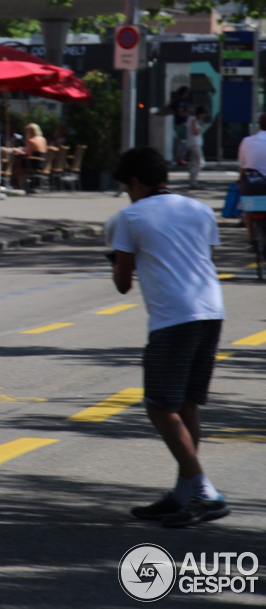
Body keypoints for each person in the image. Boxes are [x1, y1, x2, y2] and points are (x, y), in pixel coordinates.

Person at [110, 146, 228, 528]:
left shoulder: (129, 217)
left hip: (173, 319)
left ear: (136, 182)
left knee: (160, 406)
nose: (128, 194)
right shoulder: (199, 210)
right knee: (188, 404)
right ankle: (183, 493)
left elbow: (123, 284)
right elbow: (204, 256)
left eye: (128, 187)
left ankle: (203, 490)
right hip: (211, 310)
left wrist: (115, 257)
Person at [237, 111, 266, 245]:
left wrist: (239, 180)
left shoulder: (246, 141)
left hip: (251, 184)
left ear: (259, 125)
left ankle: (251, 237)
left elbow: (242, 166)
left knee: (248, 207)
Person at [14, 122, 47, 191]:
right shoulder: (43, 139)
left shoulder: (31, 140)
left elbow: (28, 153)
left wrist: (19, 151)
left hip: (33, 163)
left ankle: (19, 185)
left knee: (17, 163)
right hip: (43, 163)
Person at [186, 106, 206, 189]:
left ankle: (192, 182)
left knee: (194, 162)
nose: (203, 116)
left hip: (192, 143)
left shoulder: (191, 119)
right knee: (200, 163)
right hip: (195, 143)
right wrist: (201, 127)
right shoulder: (193, 120)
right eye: (203, 114)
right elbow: (195, 132)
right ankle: (193, 181)